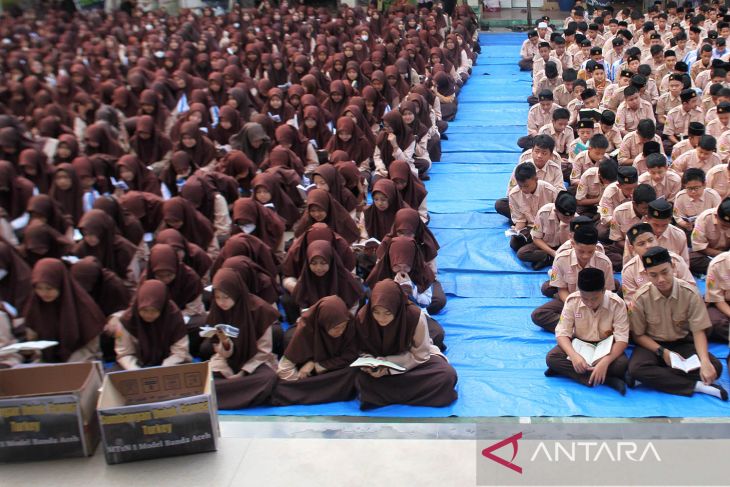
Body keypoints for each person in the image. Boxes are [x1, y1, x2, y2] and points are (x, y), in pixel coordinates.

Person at [627, 247, 727, 401]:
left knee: (715, 367)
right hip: (653, 345)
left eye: (664, 272)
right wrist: (663, 352)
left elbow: (698, 330)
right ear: (647, 274)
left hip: (681, 343)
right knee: (636, 369)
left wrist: (705, 361)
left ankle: (657, 377)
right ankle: (697, 386)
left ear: (673, 267)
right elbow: (638, 335)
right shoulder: (640, 298)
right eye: (653, 275)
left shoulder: (690, 293)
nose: (660, 279)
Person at [354, 279, 457, 410]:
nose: (381, 318)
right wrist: (371, 365)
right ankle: (418, 395)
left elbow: (421, 354)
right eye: (376, 312)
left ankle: (384, 397)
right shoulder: (363, 317)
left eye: (387, 313)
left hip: (412, 363)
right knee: (360, 379)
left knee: (447, 375)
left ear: (397, 308)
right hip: (379, 367)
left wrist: (389, 366)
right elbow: (361, 349)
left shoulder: (414, 316)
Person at [545, 268, 630, 395]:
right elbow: (562, 333)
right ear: (580, 292)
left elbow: (622, 339)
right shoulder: (572, 301)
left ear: (604, 290)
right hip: (580, 343)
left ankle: (569, 371)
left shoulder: (617, 303)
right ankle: (607, 380)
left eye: (594, 298)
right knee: (552, 358)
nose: (589, 303)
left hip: (606, 345)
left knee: (621, 365)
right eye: (585, 298)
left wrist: (605, 361)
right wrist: (574, 356)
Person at [207, 268, 280, 409]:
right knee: (207, 381)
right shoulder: (217, 312)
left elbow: (264, 351)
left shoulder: (259, 310)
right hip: (227, 362)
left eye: (226, 297)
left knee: (268, 378)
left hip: (255, 363)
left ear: (235, 292)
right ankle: (243, 395)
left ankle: (226, 396)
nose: (221, 302)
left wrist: (243, 372)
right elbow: (220, 353)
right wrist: (225, 342)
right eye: (217, 297)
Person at [272, 296, 358, 406]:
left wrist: (317, 365)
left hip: (332, 369)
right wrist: (299, 380)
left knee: (352, 372)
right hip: (309, 376)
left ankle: (310, 391)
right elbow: (285, 368)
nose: (340, 331)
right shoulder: (306, 330)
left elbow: (350, 356)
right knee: (280, 385)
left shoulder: (349, 323)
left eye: (343, 326)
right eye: (335, 328)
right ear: (323, 323)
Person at [531, 224, 614, 332]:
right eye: (581, 251)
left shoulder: (604, 262)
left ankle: (575, 327)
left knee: (614, 317)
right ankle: (582, 329)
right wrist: (574, 307)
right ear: (573, 244)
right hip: (571, 299)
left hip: (596, 302)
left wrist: (593, 307)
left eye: (590, 251)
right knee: (539, 315)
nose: (585, 256)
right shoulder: (561, 259)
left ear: (596, 246)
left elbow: (607, 292)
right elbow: (562, 289)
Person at [22, 258, 105, 363]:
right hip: (47, 362)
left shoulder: (83, 306)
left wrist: (65, 368)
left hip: (81, 360)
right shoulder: (35, 305)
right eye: (39, 288)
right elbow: (33, 340)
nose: (43, 293)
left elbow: (91, 347)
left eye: (49, 288)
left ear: (60, 284)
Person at [115, 279, 191, 370]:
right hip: (138, 363)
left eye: (154, 311)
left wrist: (162, 369)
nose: (148, 315)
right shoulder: (127, 320)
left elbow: (180, 351)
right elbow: (124, 353)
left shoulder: (174, 317)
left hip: (170, 362)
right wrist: (135, 369)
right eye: (144, 310)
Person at [621, 223, 695, 306]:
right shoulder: (629, 271)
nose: (648, 246)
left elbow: (691, 289)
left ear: (656, 239)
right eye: (641, 244)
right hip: (649, 314)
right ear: (632, 248)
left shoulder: (676, 260)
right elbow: (632, 304)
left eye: (650, 240)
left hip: (679, 307)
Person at [506, 162, 560, 251]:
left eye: (526, 186)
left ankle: (545, 251)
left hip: (549, 227)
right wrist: (517, 230)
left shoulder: (550, 191)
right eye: (520, 186)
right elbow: (520, 220)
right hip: (531, 227)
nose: (523, 189)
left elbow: (559, 216)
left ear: (536, 179)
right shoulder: (514, 195)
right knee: (514, 243)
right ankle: (544, 250)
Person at [690, 197, 730, 276]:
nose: (726, 228)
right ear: (716, 216)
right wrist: (723, 256)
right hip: (706, 254)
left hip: (727, 253)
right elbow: (699, 247)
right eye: (723, 225)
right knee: (691, 259)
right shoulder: (704, 218)